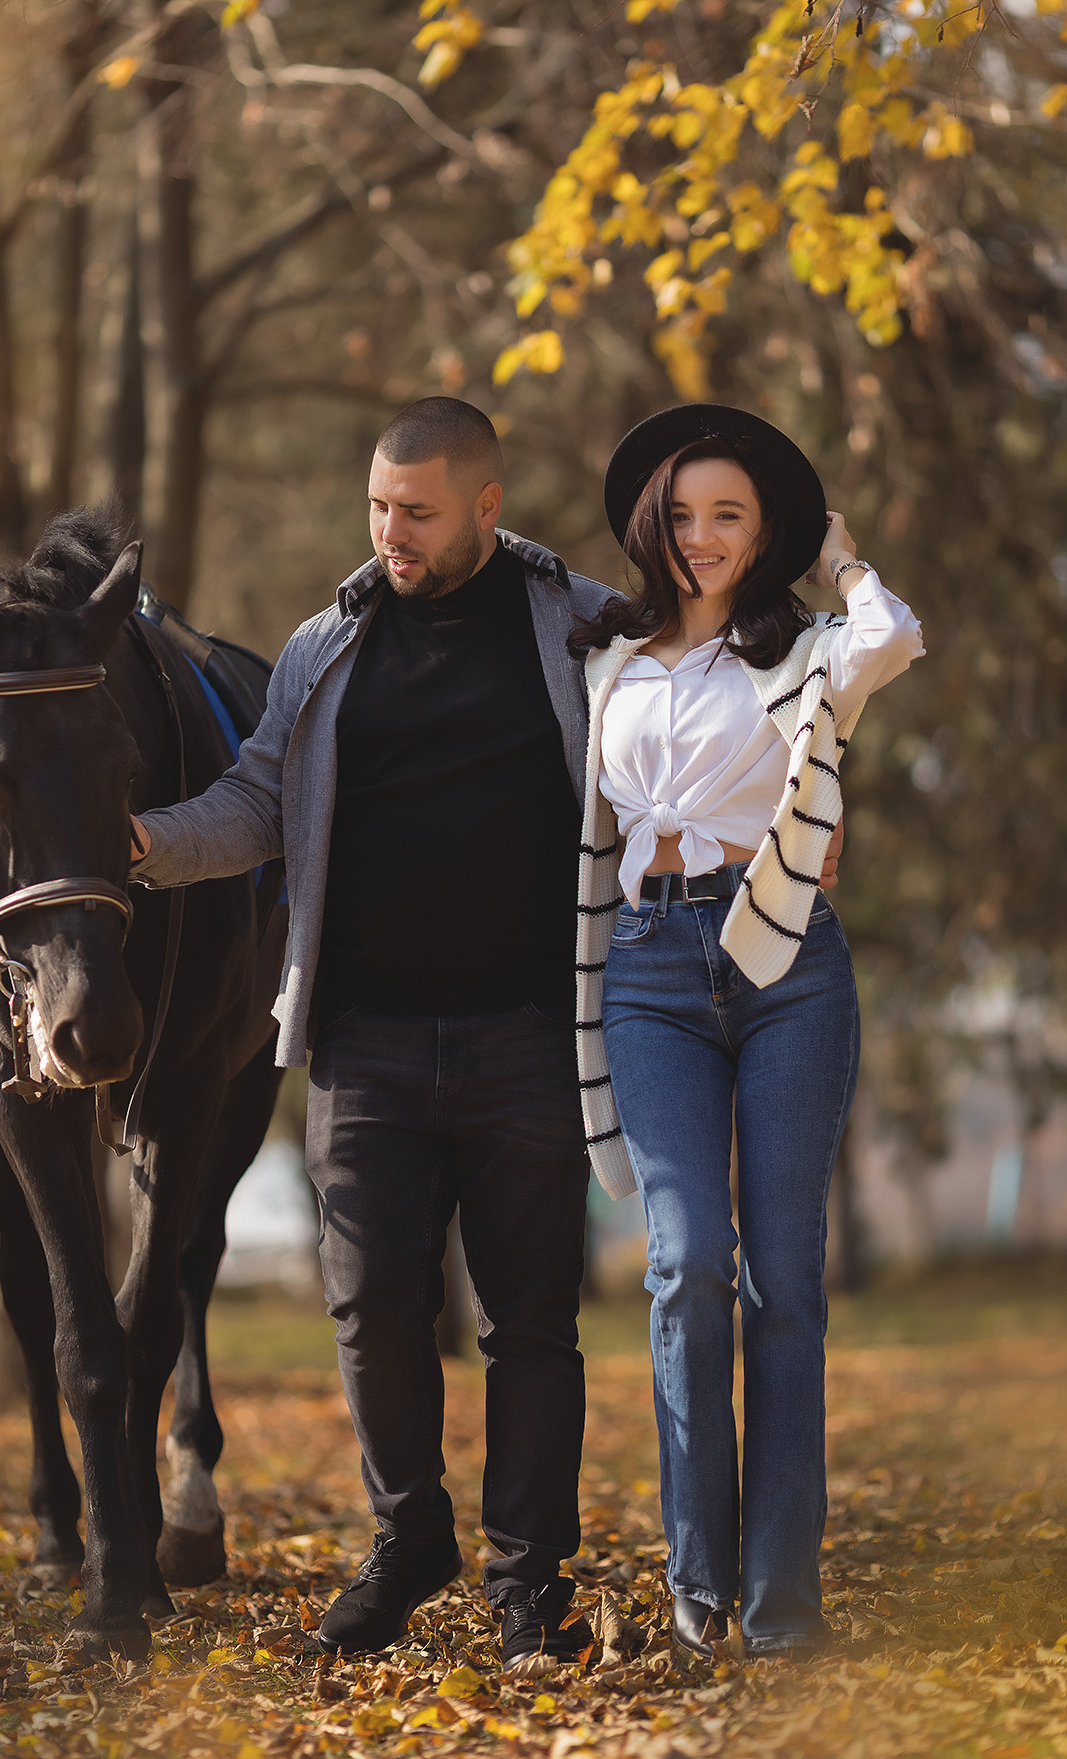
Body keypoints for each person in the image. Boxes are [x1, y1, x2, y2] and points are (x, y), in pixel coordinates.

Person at [127, 398, 617, 1671]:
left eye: (417, 512)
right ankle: (412, 1541)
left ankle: (527, 1583)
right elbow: (257, 800)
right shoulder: (325, 648)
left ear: (487, 509)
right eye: (376, 509)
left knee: (531, 1327)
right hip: (366, 1045)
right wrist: (138, 846)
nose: (389, 534)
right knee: (370, 1311)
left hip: (530, 1039)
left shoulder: (580, 625)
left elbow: (683, 739)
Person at [571, 405, 924, 1661]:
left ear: (764, 528)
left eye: (730, 515)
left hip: (784, 969)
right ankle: (697, 1578)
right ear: (650, 526)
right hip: (650, 973)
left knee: (785, 1281)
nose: (703, 538)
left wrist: (842, 559)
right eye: (682, 515)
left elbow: (898, 633)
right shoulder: (604, 658)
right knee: (686, 1265)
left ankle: (781, 1603)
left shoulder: (810, 651)